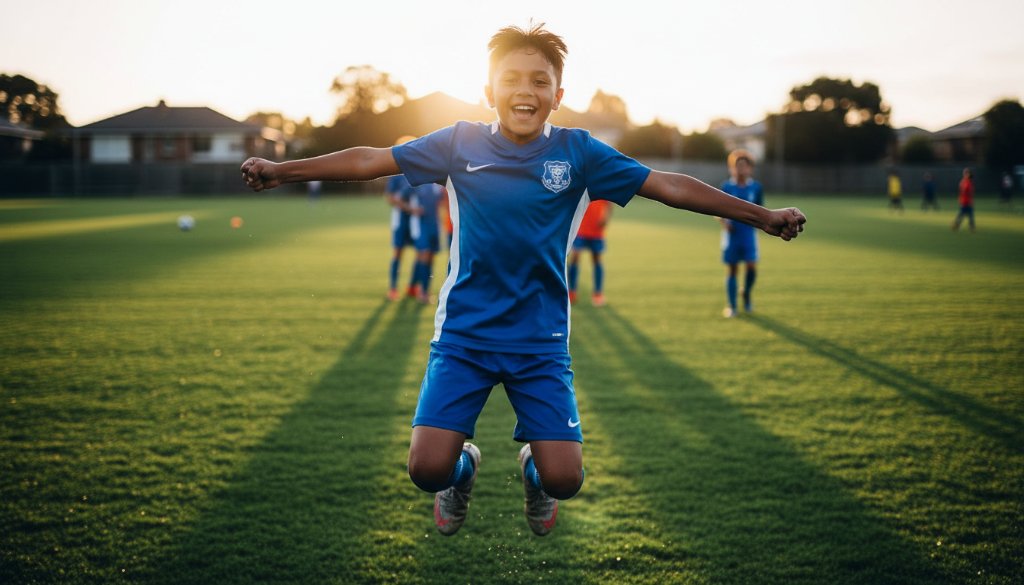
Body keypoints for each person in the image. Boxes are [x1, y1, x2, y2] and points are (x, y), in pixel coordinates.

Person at [240, 23, 806, 538]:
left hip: (539, 342)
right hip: (464, 336)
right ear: (489, 89)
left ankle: (535, 471)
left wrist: (762, 216)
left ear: (558, 95)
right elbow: (371, 160)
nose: (525, 91)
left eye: (541, 81)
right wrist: (283, 170)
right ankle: (464, 470)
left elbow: (670, 185)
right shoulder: (458, 143)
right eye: (511, 79)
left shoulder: (579, 153)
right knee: (427, 469)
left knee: (565, 479)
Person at [718, 149, 764, 318]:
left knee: (752, 268)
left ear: (750, 169)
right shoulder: (727, 187)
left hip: (749, 234)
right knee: (732, 270)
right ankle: (732, 306)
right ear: (732, 168)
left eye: (744, 166)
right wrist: (725, 223)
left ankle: (746, 293)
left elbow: (761, 210)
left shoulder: (756, 188)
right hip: (732, 236)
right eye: (737, 166)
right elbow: (717, 210)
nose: (741, 170)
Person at [385, 139, 420, 301]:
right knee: (398, 253)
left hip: (417, 221)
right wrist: (407, 208)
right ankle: (393, 288)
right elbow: (390, 198)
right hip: (401, 220)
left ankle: (413, 286)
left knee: (421, 253)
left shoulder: (420, 171)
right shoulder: (396, 174)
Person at [408, 181, 448, 303]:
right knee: (424, 255)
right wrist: (412, 209)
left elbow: (443, 201)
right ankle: (422, 292)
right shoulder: (416, 182)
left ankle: (416, 288)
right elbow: (398, 198)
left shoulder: (438, 184)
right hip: (421, 225)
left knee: (430, 258)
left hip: (434, 226)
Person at [567, 199, 612, 306]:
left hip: (597, 229)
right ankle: (572, 291)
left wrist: (606, 218)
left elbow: (609, 203)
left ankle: (598, 293)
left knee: (596, 260)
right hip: (581, 229)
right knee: (575, 258)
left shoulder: (603, 185)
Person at [952, 167, 976, 232]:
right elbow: (964, 191)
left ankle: (957, 225)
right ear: (964, 174)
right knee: (964, 214)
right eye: (966, 173)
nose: (967, 174)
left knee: (967, 214)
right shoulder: (965, 182)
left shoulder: (967, 181)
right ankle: (957, 224)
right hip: (965, 201)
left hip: (967, 201)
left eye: (968, 173)